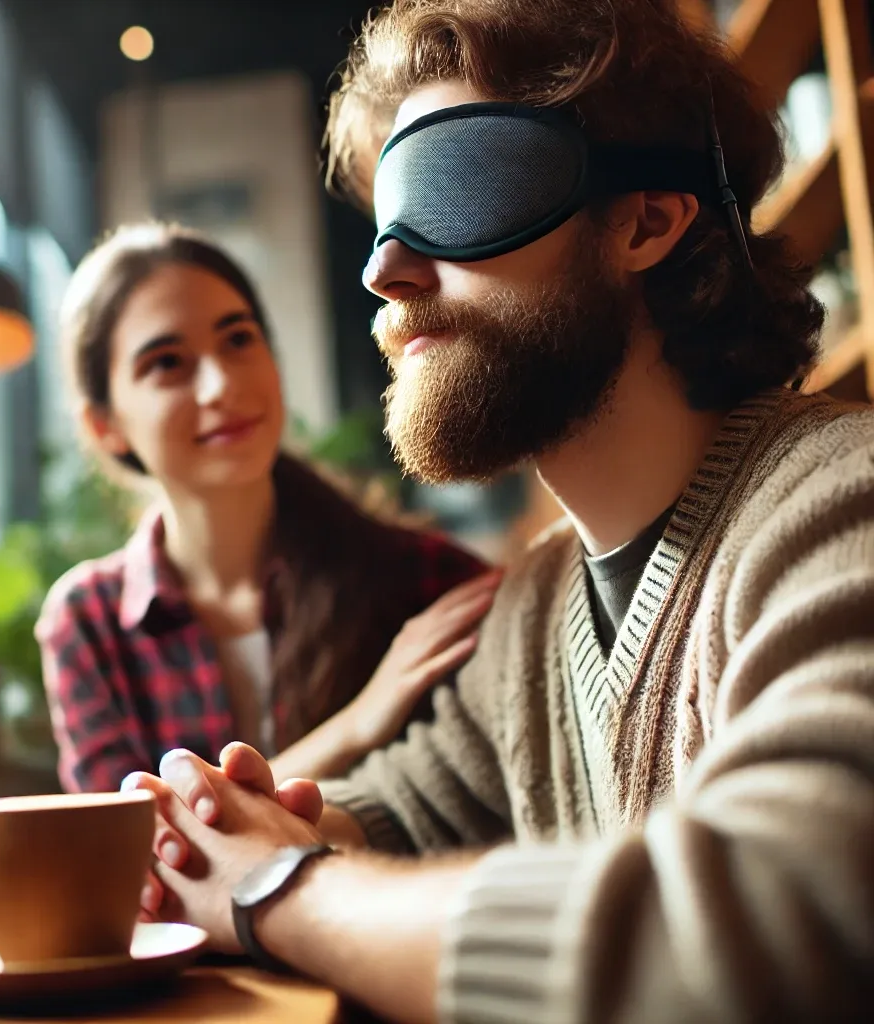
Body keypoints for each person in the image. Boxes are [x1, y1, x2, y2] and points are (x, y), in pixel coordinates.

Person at [125, 2, 874, 1022]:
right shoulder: (527, 613)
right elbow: (395, 809)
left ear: (645, 220)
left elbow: (785, 921)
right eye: (385, 215)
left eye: (453, 184)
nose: (383, 272)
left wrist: (280, 890)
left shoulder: (842, 508)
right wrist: (229, 832)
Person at [35, 223, 496, 793]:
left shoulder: (426, 582)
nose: (219, 385)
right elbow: (129, 849)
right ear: (104, 425)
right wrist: (356, 725)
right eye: (167, 363)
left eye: (238, 340)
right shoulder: (88, 622)